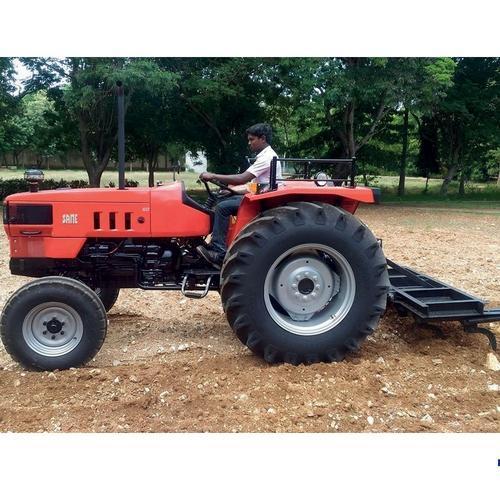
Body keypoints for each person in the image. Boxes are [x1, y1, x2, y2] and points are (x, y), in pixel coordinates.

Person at [196, 123, 280, 269]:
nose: (249, 143)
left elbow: (242, 178)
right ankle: (211, 243)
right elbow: (255, 186)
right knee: (223, 199)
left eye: (251, 139)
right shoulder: (265, 156)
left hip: (263, 200)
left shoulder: (268, 157)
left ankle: (219, 253)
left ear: (263, 139)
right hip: (260, 194)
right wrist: (232, 191)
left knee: (222, 208)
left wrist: (213, 175)